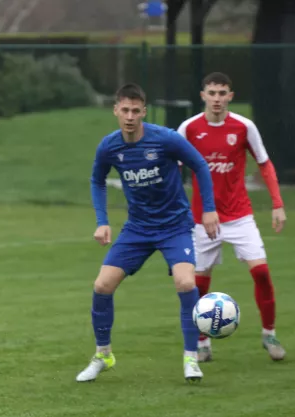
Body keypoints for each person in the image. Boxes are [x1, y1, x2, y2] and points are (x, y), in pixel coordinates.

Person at [76, 83, 219, 384]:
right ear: (116, 110)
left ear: (144, 111)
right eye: (124, 110)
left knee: (185, 282)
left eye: (135, 111)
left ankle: (191, 358)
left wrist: (208, 208)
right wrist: (102, 220)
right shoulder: (110, 146)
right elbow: (97, 181)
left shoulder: (165, 139)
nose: (130, 116)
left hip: (175, 226)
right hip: (138, 228)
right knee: (102, 285)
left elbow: (200, 166)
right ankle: (103, 354)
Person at [177, 72, 286, 362]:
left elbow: (264, 164)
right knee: (198, 283)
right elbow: (173, 170)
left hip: (239, 215)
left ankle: (269, 334)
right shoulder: (188, 129)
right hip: (201, 219)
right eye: (211, 92)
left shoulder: (243, 127)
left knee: (261, 272)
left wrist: (277, 203)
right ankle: (201, 342)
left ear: (230, 96)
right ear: (203, 95)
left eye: (222, 93)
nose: (216, 98)